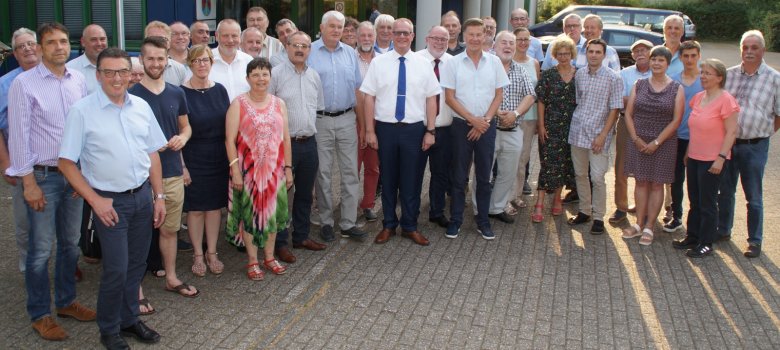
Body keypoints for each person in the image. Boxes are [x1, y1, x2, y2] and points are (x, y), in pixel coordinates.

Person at [59, 47, 166, 349]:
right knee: (116, 269)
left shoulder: (141, 106)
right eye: (109, 72)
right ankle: (109, 329)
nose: (117, 78)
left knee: (136, 265)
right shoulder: (82, 111)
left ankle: (129, 319)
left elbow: (153, 153)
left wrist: (158, 196)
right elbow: (66, 163)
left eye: (123, 71)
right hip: (110, 203)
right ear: (98, 75)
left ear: (131, 74)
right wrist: (95, 200)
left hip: (142, 198)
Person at [7, 22, 95, 341]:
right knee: (41, 249)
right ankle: (41, 314)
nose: (59, 47)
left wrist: (82, 173)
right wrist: (28, 183)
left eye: (63, 41)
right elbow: (19, 137)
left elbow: (85, 128)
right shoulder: (24, 84)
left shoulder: (78, 80)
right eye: (51, 42)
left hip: (73, 175)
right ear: (40, 48)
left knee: (71, 244)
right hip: (42, 177)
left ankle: (67, 301)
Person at [129, 36, 198, 298]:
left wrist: (184, 138)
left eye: (160, 58)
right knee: (137, 236)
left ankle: (171, 277)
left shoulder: (176, 92)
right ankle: (135, 289)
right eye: (150, 58)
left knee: (169, 229)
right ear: (141, 59)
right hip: (139, 178)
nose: (156, 63)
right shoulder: (131, 95)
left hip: (171, 172)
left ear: (167, 59)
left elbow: (186, 126)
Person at [361, 18, 439, 246]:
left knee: (412, 180)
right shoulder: (379, 63)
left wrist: (430, 131)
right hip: (385, 129)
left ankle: (410, 225)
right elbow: (369, 98)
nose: (402, 37)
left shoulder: (424, 64)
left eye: (406, 33)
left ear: (413, 36)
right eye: (398, 33)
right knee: (388, 178)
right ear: (391, 35)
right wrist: (369, 130)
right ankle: (388, 224)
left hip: (414, 130)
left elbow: (432, 99)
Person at [441, 18, 509, 240]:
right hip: (461, 126)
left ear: (485, 36)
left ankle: (483, 221)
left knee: (484, 176)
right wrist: (472, 119)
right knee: (459, 177)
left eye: (479, 34)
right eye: (471, 34)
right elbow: (449, 98)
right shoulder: (453, 63)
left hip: (486, 126)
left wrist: (485, 121)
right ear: (464, 36)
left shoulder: (495, 62)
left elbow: (499, 94)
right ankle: (456, 220)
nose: (475, 38)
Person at [225, 57, 292, 280]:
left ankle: (270, 257)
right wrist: (235, 170)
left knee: (272, 216)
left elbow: (286, 139)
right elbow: (229, 140)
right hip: (248, 172)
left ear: (270, 78)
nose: (260, 79)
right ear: (247, 78)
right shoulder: (238, 104)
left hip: (274, 172)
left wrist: (288, 168)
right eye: (255, 74)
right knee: (250, 216)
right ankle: (253, 261)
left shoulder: (279, 103)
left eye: (264, 74)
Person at [717, 30, 780, 258]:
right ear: (741, 49)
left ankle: (755, 240)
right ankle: (723, 230)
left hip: (755, 146)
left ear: (763, 51)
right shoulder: (729, 75)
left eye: (754, 48)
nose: (750, 51)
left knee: (753, 195)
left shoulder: (775, 79)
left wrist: (762, 133)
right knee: (725, 191)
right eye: (746, 47)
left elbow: (778, 115)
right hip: (729, 144)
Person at [307, 11, 367, 242]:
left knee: (351, 172)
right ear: (321, 28)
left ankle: (348, 223)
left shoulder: (351, 54)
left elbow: (357, 91)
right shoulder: (310, 51)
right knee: (322, 174)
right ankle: (326, 221)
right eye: (331, 26)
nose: (336, 30)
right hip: (319, 120)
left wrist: (362, 125)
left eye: (339, 27)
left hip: (346, 119)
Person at [269, 31, 327, 264]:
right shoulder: (276, 74)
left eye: (305, 46)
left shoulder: (314, 76)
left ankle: (301, 236)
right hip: (284, 144)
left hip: (309, 142)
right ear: (287, 47)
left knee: (304, 194)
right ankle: (280, 243)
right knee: (283, 196)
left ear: (309, 50)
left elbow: (318, 108)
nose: (300, 49)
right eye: (296, 45)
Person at [671, 59, 739, 258]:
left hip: (712, 159)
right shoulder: (699, 97)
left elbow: (731, 132)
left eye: (708, 73)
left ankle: (706, 242)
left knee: (708, 203)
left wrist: (720, 158)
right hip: (694, 156)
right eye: (702, 72)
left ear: (720, 78)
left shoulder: (727, 100)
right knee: (695, 199)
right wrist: (688, 152)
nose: (703, 76)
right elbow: (696, 128)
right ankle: (692, 236)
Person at [622, 46, 684, 245]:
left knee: (657, 184)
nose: (656, 63)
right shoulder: (639, 84)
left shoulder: (676, 88)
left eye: (661, 60)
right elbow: (629, 114)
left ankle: (650, 225)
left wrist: (657, 142)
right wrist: (636, 139)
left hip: (663, 143)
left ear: (667, 64)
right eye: (654, 59)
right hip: (638, 141)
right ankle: (639, 223)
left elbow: (676, 120)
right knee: (640, 181)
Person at [181, 44, 230, 276]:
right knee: (196, 209)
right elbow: (178, 130)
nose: (202, 64)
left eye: (206, 60)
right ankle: (198, 254)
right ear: (190, 64)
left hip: (218, 156)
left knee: (214, 209)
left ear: (212, 63)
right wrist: (181, 166)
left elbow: (229, 126)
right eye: (197, 60)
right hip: (193, 156)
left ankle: (212, 252)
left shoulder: (220, 90)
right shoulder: (180, 93)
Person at [566, 38, 623, 235]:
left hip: (599, 135)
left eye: (598, 52)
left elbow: (615, 109)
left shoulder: (613, 78)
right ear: (586, 53)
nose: (594, 55)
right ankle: (584, 211)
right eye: (591, 51)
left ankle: (599, 217)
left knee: (597, 177)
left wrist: (603, 135)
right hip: (578, 132)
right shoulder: (579, 75)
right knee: (580, 174)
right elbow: (579, 101)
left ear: (604, 55)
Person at [1, 27, 40, 273]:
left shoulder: (58, 76)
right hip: (22, 164)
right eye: (21, 46)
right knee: (26, 223)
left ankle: (62, 268)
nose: (27, 49)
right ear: (15, 54)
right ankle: (30, 269)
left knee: (58, 223)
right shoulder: (4, 84)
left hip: (55, 164)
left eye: (31, 44)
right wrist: (6, 164)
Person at [487, 30, 536, 222]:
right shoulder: (485, 66)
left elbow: (530, 95)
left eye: (511, 43)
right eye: (504, 43)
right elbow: (477, 93)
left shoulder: (521, 69)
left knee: (507, 174)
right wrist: (496, 112)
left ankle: (496, 208)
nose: (508, 46)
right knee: (484, 173)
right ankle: (479, 209)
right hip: (488, 130)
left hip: (514, 129)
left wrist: (515, 114)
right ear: (494, 46)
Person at [531, 36, 576, 223]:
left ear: (572, 54)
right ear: (554, 55)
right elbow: (541, 100)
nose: (563, 57)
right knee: (548, 164)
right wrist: (541, 125)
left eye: (566, 53)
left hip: (573, 127)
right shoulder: (548, 74)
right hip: (550, 125)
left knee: (565, 164)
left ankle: (557, 198)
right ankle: (539, 203)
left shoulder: (579, 74)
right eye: (560, 53)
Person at [610, 39, 653, 224]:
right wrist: (643, 101)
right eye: (636, 51)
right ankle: (621, 207)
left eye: (644, 50)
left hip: (651, 124)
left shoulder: (658, 72)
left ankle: (643, 206)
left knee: (646, 167)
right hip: (626, 124)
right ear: (632, 54)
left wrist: (633, 100)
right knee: (621, 166)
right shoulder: (624, 74)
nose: (640, 53)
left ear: (651, 53)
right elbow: (618, 99)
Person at [417, 25, 453, 229]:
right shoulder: (415, 60)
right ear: (426, 38)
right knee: (415, 172)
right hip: (419, 128)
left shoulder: (453, 63)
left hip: (445, 128)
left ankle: (436, 212)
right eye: (436, 38)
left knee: (440, 173)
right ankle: (411, 212)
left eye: (444, 39)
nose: (439, 42)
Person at [665, 40, 703, 232]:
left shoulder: (706, 79)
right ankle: (677, 216)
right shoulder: (673, 79)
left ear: (699, 56)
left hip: (699, 139)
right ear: (680, 58)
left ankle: (697, 221)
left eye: (693, 56)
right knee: (676, 179)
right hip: (676, 137)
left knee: (696, 182)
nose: (689, 59)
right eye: (685, 56)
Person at [511, 27, 540, 210]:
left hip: (529, 118)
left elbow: (536, 93)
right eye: (519, 39)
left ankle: (517, 194)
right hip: (509, 118)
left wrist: (539, 121)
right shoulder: (504, 61)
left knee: (523, 158)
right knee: (507, 158)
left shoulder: (535, 63)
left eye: (526, 39)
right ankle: (503, 196)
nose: (523, 42)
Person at [355, 21, 380, 222]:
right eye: (362, 35)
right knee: (352, 166)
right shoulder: (349, 59)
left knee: (373, 166)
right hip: (353, 120)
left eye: (369, 36)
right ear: (356, 37)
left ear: (375, 37)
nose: (366, 39)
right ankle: (349, 204)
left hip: (377, 121)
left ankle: (368, 204)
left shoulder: (381, 61)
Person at [209, 19, 254, 102]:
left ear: (240, 37)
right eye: (225, 36)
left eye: (234, 36)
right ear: (216, 36)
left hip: (244, 114)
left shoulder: (249, 61)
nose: (230, 40)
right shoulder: (206, 60)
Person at [65, 24, 107, 94]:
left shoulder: (117, 66)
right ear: (83, 42)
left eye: (102, 39)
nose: (99, 43)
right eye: (93, 40)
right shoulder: (70, 69)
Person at [144, 21, 187, 86]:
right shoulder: (136, 69)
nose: (157, 43)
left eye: (162, 39)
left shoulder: (180, 69)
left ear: (169, 43)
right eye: (152, 39)